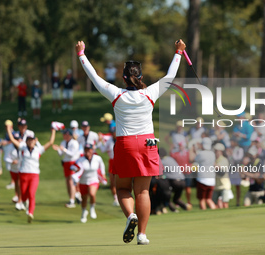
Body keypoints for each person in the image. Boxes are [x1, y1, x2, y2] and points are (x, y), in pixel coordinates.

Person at [76, 38, 185, 244]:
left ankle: (130, 216)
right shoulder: (150, 93)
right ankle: (142, 235)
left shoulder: (116, 94)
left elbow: (94, 76)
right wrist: (178, 52)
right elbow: (171, 75)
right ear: (141, 76)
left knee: (123, 188)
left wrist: (81, 54)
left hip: (125, 144)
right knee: (143, 190)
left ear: (124, 78)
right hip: (147, 144)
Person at [6, 123, 56, 223]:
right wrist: (8, 129)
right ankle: (25, 203)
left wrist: (53, 130)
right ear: (27, 141)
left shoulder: (38, 150)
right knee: (24, 195)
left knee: (31, 194)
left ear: (34, 141)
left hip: (34, 175)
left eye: (32, 140)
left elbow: (50, 142)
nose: (30, 142)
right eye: (29, 140)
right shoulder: (23, 148)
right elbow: (12, 139)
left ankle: (30, 213)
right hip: (23, 174)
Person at [71, 143, 106, 223]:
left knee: (92, 193)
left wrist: (103, 174)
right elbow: (73, 167)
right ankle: (84, 212)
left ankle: (92, 208)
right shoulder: (80, 160)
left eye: (89, 150)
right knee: (84, 199)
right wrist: (76, 169)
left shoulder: (97, 158)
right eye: (86, 150)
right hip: (83, 181)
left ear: (92, 150)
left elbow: (102, 165)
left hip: (94, 180)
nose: (87, 152)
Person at [52, 129, 80, 208]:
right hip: (66, 163)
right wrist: (58, 149)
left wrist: (63, 149)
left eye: (64, 134)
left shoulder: (74, 143)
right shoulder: (63, 142)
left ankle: (72, 200)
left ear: (68, 135)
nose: (63, 136)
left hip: (72, 163)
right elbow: (61, 155)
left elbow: (71, 154)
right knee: (68, 182)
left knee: (71, 181)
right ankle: (73, 197)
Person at [193, 137, 216, 210]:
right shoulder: (212, 153)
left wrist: (194, 151)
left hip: (202, 179)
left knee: (202, 199)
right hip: (212, 179)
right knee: (209, 199)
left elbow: (194, 160)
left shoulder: (201, 153)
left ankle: (204, 212)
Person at [4, 132, 25, 210]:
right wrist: (12, 161)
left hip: (22, 168)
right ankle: (17, 196)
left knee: (20, 183)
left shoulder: (23, 145)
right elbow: (6, 158)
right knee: (16, 183)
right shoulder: (9, 147)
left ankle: (20, 199)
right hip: (13, 168)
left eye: (17, 139)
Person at [98, 128, 119, 206]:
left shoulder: (120, 139)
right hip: (112, 161)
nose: (114, 134)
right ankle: (115, 198)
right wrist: (100, 142)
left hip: (120, 161)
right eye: (113, 132)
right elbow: (103, 150)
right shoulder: (109, 141)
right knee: (112, 181)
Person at [212, 143, 232, 209]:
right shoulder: (214, 160)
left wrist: (211, 162)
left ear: (221, 151)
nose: (215, 152)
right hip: (216, 186)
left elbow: (219, 168)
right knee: (214, 204)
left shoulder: (224, 160)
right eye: (215, 151)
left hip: (224, 185)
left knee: (225, 203)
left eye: (216, 151)